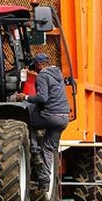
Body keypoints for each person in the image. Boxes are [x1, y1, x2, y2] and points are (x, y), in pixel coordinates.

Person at [13, 53, 70, 189]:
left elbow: (43, 98)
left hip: (51, 116)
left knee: (28, 118)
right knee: (48, 147)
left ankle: (33, 147)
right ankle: (44, 180)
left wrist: (25, 97)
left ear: (39, 65)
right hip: (63, 118)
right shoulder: (58, 73)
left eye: (35, 67)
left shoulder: (43, 75)